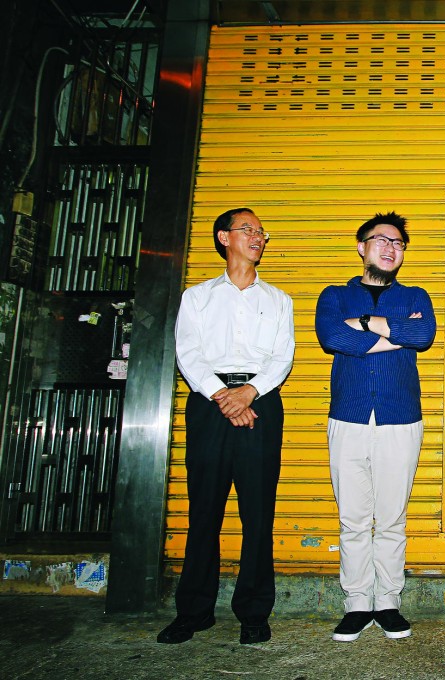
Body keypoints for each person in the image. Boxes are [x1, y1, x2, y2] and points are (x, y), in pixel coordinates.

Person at [159, 208, 295, 645]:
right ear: (224, 237)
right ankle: (194, 612)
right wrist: (224, 396)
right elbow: (189, 354)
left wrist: (248, 394)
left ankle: (254, 610)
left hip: (261, 405)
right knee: (204, 512)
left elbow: (281, 357)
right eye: (248, 230)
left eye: (261, 232)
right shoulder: (197, 297)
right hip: (209, 406)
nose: (258, 237)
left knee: (258, 513)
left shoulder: (278, 300)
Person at [314, 211, 436, 643]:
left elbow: (423, 337)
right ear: (362, 246)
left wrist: (363, 328)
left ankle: (388, 602)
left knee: (391, 519)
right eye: (381, 240)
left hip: (400, 416)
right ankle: (356, 604)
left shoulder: (416, 294)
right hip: (347, 416)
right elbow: (332, 337)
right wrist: (393, 335)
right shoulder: (334, 295)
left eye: (399, 243)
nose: (390, 247)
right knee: (352, 518)